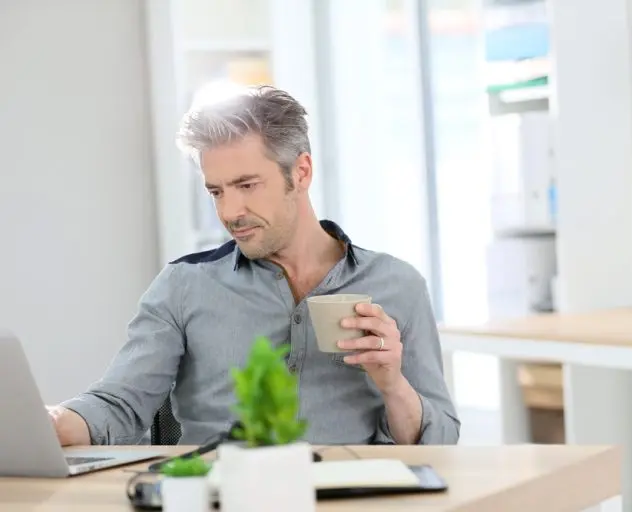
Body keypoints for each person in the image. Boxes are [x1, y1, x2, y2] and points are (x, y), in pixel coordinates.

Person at [48, 84, 460, 447]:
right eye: (216, 191)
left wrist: (392, 384)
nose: (230, 212)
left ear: (300, 172)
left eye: (246, 185)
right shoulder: (182, 286)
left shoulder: (397, 285)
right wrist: (51, 424)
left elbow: (439, 442)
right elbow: (119, 405)